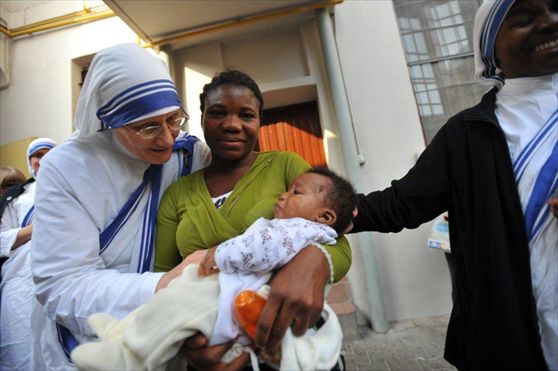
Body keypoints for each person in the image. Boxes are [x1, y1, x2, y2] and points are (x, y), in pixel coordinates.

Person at [351, 0, 557, 370]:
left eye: (556, 8)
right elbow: (400, 204)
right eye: (525, 18)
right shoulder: (466, 134)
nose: (549, 22)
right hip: (507, 339)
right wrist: (323, 212)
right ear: (490, 46)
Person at [153, 69, 352, 370]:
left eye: (246, 115)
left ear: (259, 120)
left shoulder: (285, 166)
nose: (232, 125)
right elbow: (160, 276)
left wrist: (314, 261)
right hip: (209, 348)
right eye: (218, 113)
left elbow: (336, 243)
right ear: (202, 117)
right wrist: (181, 341)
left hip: (284, 339)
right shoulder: (178, 193)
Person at [29, 43, 211, 370]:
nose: (168, 139)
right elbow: (62, 285)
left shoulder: (187, 155)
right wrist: (163, 285)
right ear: (110, 121)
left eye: (173, 119)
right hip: (88, 345)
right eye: (148, 127)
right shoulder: (66, 168)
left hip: (170, 341)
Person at [69, 167, 357, 371]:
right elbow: (162, 266)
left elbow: (259, 250)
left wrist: (219, 253)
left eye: (296, 192)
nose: (282, 196)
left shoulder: (296, 228)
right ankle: (121, 334)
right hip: (224, 285)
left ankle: (128, 357)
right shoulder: (181, 187)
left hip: (233, 291)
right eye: (218, 112)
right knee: (170, 300)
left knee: (176, 308)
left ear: (324, 216)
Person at [0, 138, 56, 370]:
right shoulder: (16, 195)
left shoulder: (71, 190)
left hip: (58, 278)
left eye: (48, 154)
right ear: (30, 161)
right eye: (38, 155)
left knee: (54, 349)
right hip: (19, 282)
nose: (43, 160)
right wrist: (35, 229)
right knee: (19, 349)